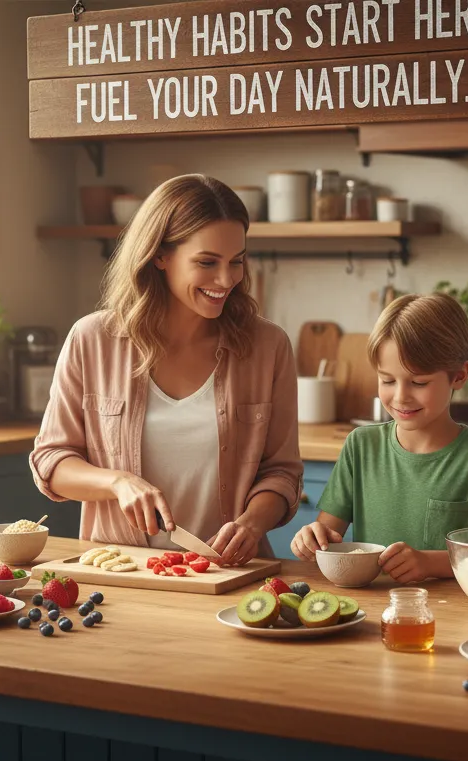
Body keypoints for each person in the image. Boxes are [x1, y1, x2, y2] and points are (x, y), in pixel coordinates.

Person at [29, 174, 303, 566]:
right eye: (207, 262)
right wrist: (117, 482)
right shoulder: (92, 340)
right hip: (121, 573)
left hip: (231, 578)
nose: (226, 280)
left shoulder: (266, 346)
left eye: (237, 261)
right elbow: (51, 462)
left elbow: (282, 472)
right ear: (160, 255)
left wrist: (253, 524)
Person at [290, 293, 468, 583]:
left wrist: (428, 563)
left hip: (449, 614)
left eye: (418, 382)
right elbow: (328, 534)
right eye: (387, 380)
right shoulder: (360, 446)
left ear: (459, 375)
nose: (401, 396)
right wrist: (311, 538)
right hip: (372, 611)